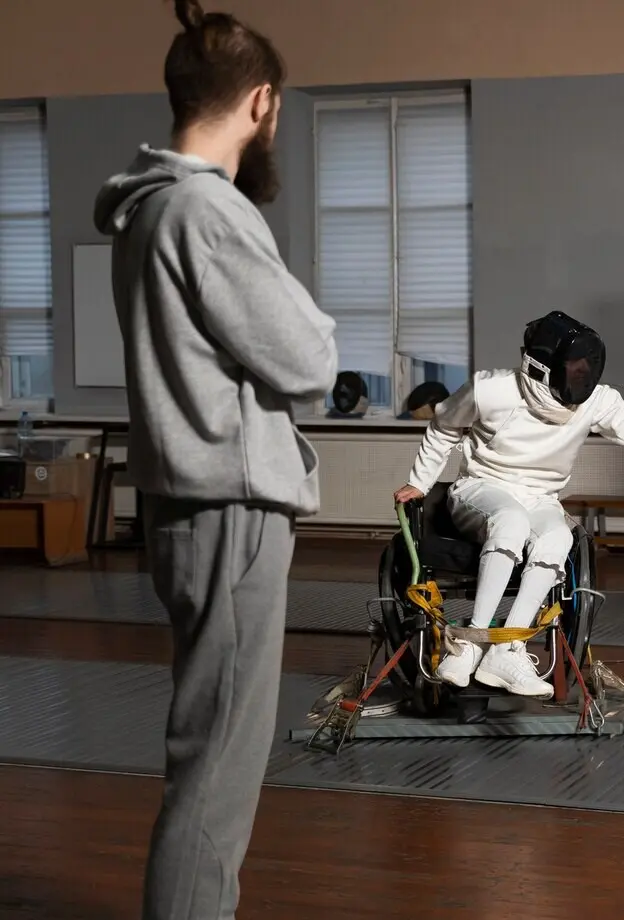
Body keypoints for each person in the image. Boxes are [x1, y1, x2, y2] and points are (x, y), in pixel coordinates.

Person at [92, 3, 338, 918]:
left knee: (210, 752)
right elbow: (310, 362)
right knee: (218, 771)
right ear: (261, 102)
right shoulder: (206, 210)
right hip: (229, 509)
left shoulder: (146, 207)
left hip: (188, 505)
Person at [394, 310, 624, 699]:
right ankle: (469, 642)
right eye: (574, 366)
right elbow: (444, 426)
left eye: (587, 366)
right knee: (510, 522)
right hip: (482, 487)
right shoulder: (491, 390)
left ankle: (506, 650)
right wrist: (418, 482)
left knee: (558, 538)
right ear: (543, 368)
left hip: (541, 498)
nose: (583, 374)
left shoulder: (597, 401)